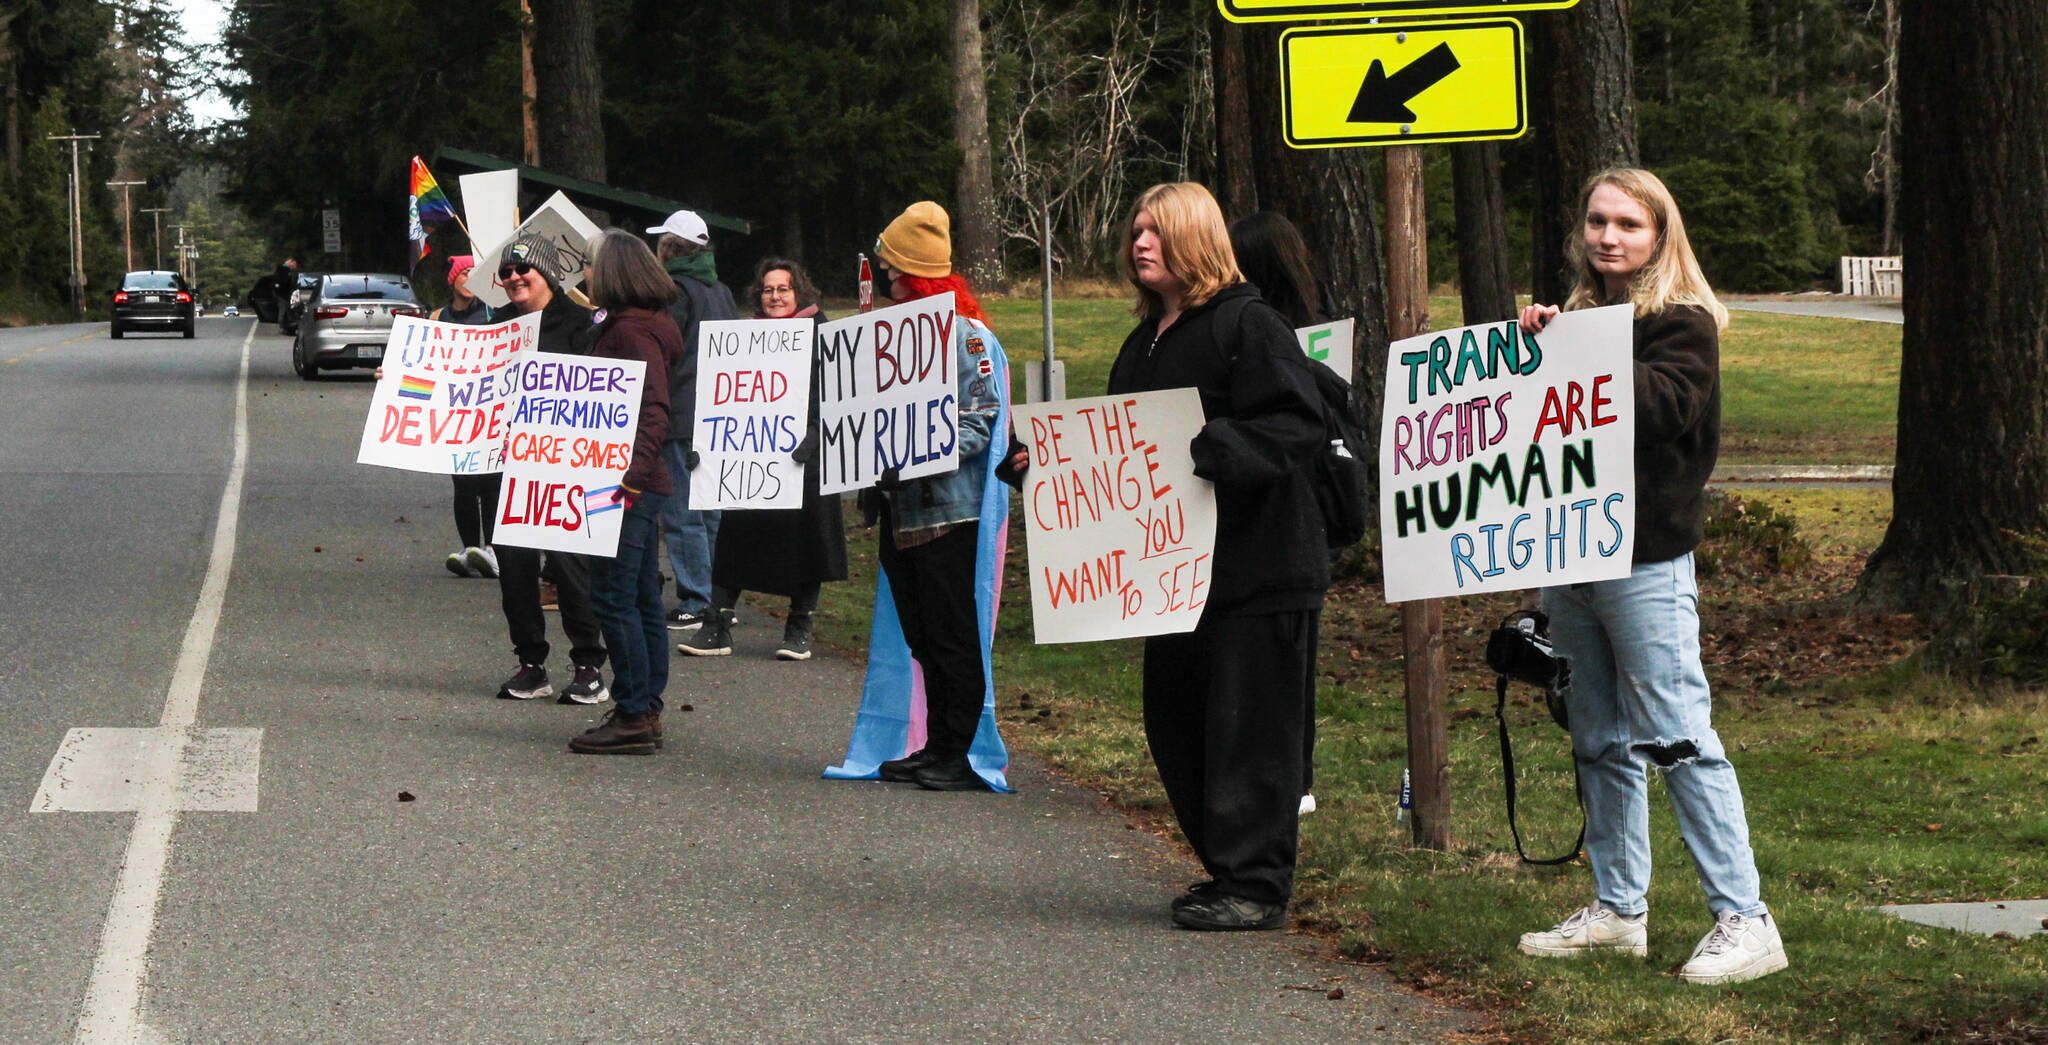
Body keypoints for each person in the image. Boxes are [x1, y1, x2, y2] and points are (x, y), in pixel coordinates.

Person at [1512, 168, 1785, 986]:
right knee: (1596, 733)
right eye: (1597, 220)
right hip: (1574, 555)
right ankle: (1619, 909)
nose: (1608, 236)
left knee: (1677, 735)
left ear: (1660, 235)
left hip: (1646, 562)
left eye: (1628, 224)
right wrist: (1542, 345)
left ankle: (1745, 918)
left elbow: (1665, 407)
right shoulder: (1584, 318)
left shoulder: (1683, 322)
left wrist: (1575, 355)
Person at [1110, 182, 1329, 931]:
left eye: (1157, 231)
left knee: (1250, 731)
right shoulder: (1143, 341)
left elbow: (1298, 421)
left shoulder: (1250, 324)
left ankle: (1257, 882)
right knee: (1176, 721)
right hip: (1173, 577)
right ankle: (1225, 866)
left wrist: (1221, 446)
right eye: (1136, 230)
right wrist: (1040, 463)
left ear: (1196, 240)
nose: (1140, 242)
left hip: (1257, 569)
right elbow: (1112, 446)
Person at [862, 202, 1007, 791]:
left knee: (951, 636)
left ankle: (957, 752)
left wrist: (917, 456)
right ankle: (936, 745)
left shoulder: (965, 337)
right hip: (902, 513)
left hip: (948, 511)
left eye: (892, 270)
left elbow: (982, 419)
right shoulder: (888, 335)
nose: (886, 278)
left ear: (914, 275)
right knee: (922, 633)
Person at [680, 258, 848, 661]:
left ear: (799, 292)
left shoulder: (822, 333)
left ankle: (800, 626)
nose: (775, 297)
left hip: (808, 458)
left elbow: (839, 393)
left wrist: (815, 433)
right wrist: (705, 445)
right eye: (768, 290)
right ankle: (716, 626)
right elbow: (721, 396)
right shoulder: (744, 338)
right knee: (736, 536)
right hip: (750, 458)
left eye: (783, 289)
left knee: (809, 541)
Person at [1228, 210, 1335, 818]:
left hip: (1286, 524)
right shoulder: (1307, 328)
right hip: (1311, 521)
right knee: (1299, 661)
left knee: (1282, 661)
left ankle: (1290, 780)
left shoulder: (1261, 335)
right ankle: (1299, 778)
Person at [567, 230, 680, 755]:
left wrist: (629, 480)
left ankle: (635, 712)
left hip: (628, 485)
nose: (585, 275)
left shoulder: (631, 332)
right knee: (637, 599)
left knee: (613, 598)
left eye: (589, 266)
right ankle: (645, 707)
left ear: (611, 271)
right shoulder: (638, 324)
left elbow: (653, 409)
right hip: (638, 482)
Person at [487, 233, 610, 706]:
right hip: (508, 466)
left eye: (523, 269)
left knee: (570, 567)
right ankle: (531, 664)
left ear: (548, 273)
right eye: (506, 273)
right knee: (515, 570)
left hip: (565, 468)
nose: (515, 278)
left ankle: (588, 666)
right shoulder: (494, 326)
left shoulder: (584, 323)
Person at [645, 210, 741, 634]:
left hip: (681, 413)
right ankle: (719, 598)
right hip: (719, 414)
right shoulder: (720, 290)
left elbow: (668, 351)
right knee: (712, 511)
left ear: (669, 247)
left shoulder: (675, 292)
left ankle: (696, 599)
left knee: (683, 512)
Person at [430, 254, 501, 581]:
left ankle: (494, 550)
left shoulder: (494, 315)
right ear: (453, 279)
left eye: (476, 274)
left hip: (490, 410)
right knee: (462, 482)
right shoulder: (437, 317)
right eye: (465, 273)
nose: (470, 279)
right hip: (454, 413)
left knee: (490, 482)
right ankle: (471, 548)